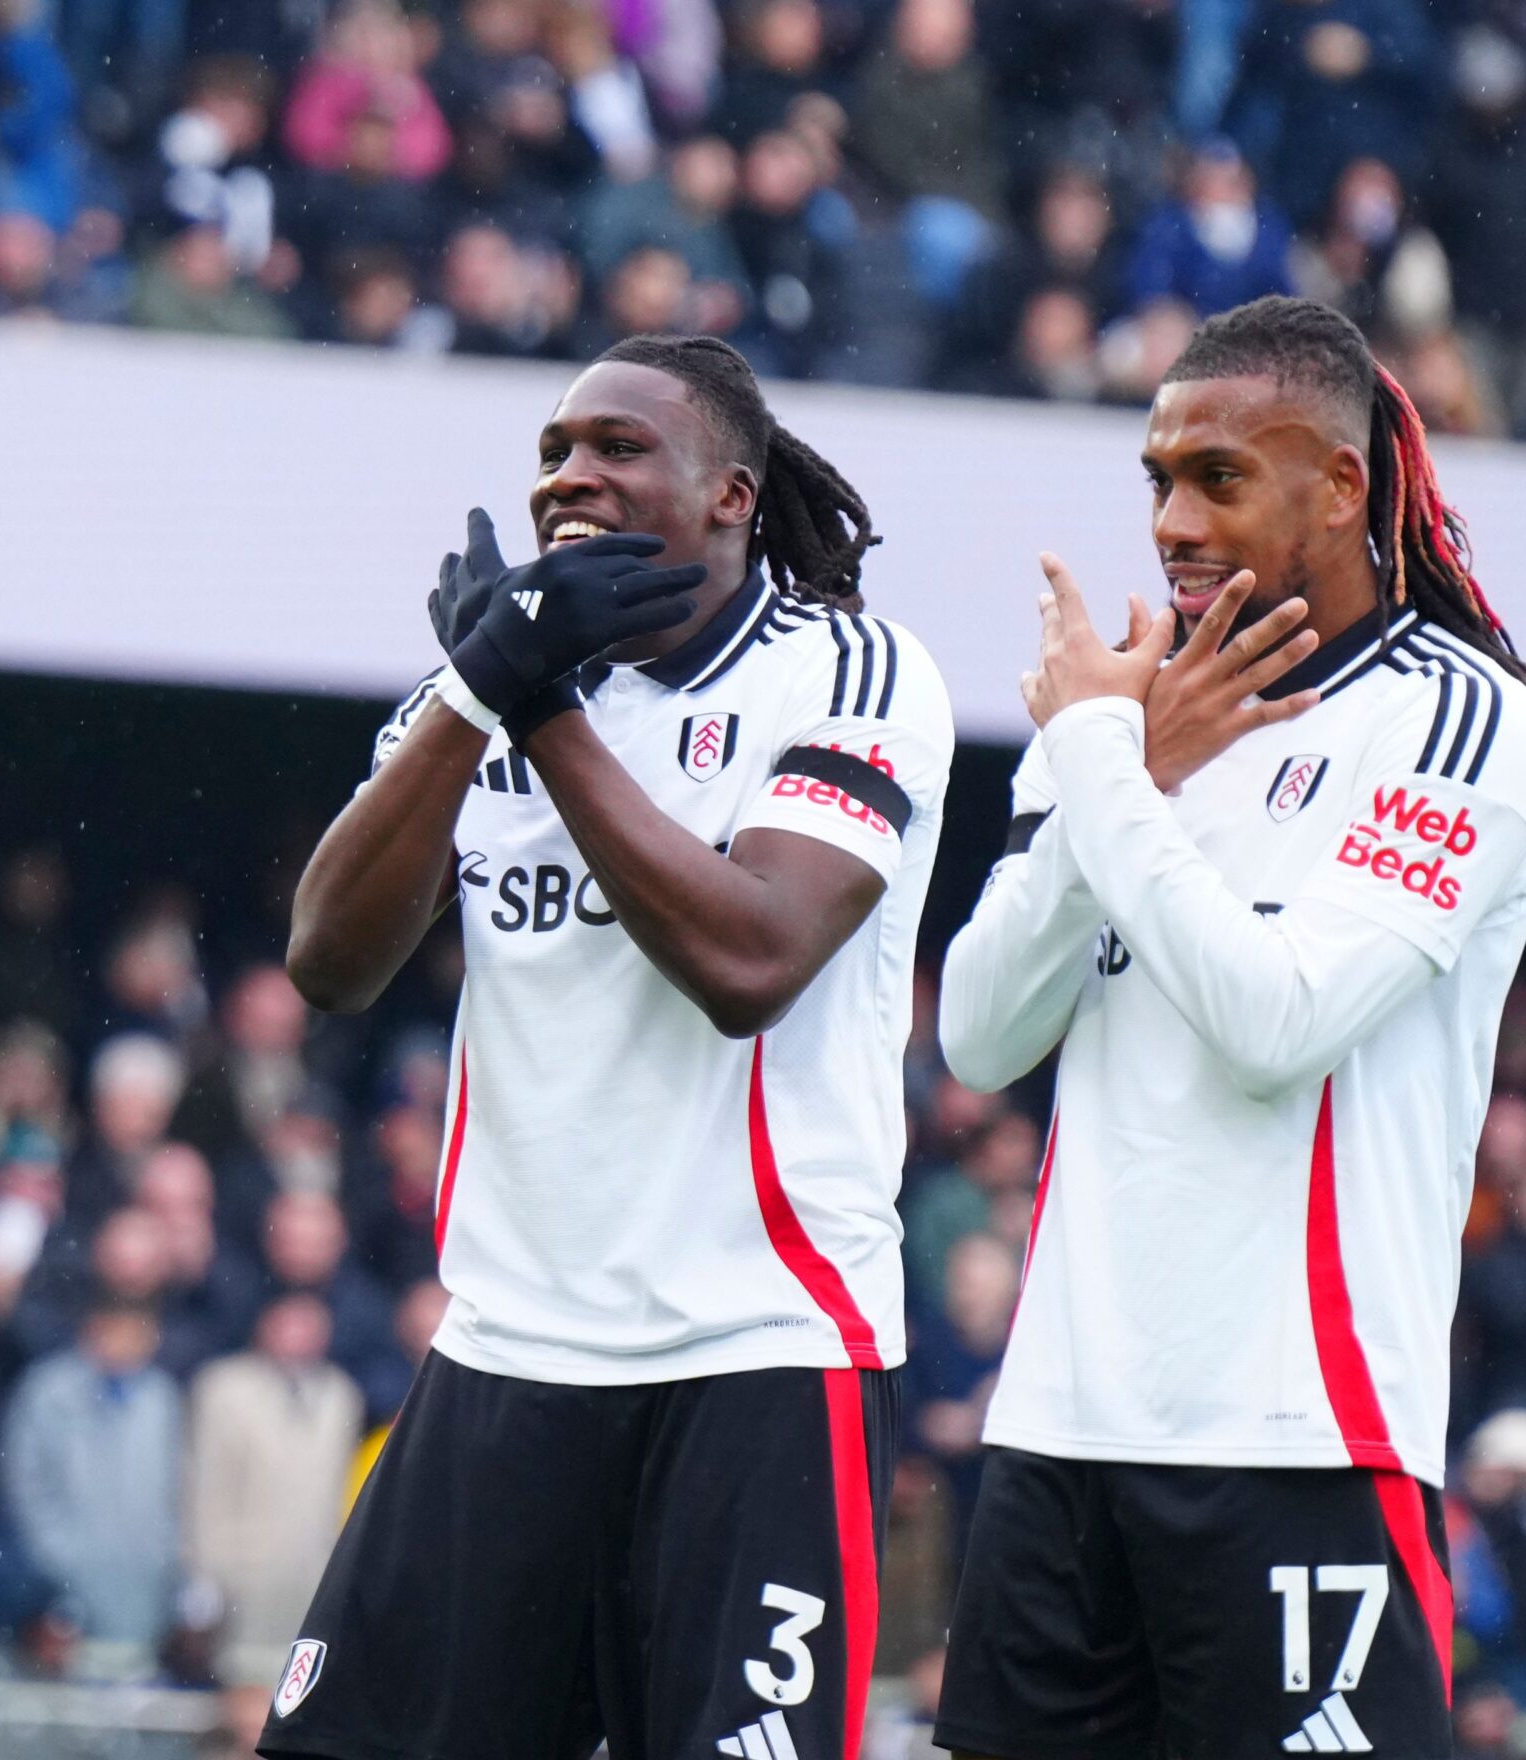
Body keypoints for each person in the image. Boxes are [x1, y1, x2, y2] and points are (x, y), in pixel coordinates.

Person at [267, 333, 953, 1760]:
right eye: (554, 452)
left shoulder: (854, 677)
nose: (570, 476)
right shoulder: (477, 698)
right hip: (511, 1345)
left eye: (619, 447)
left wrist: (539, 705)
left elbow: (749, 960)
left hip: (756, 1354)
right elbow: (329, 961)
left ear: (731, 495)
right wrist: (471, 698)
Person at [934, 293, 1526, 1760]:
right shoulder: (1125, 721)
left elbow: (1279, 1023)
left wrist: (1102, 764)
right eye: (1157, 481)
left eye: (1219, 477)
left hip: (1294, 1437)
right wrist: (1116, 766)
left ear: (1340, 488)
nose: (1175, 523)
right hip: (1060, 1428)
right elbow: (979, 1035)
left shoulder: (1459, 721)